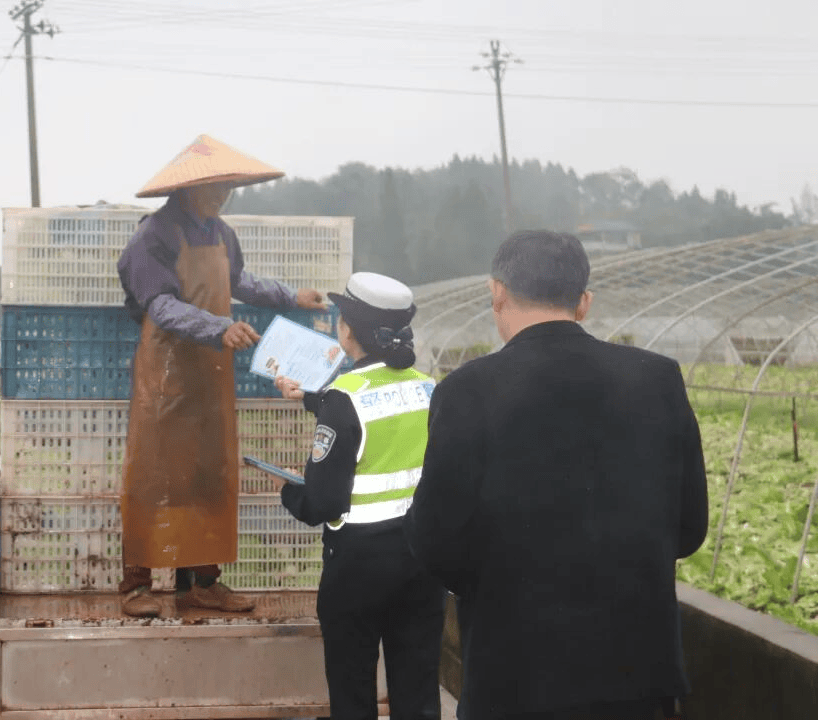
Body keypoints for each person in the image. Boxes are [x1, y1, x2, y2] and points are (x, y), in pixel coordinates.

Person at [404, 230, 709, 720]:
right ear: (584, 302)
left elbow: (435, 540)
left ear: (496, 292)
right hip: (638, 676)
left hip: (514, 676)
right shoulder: (657, 379)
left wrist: (495, 582)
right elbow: (690, 528)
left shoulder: (467, 391)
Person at [116, 134, 326, 618]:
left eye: (228, 186)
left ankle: (203, 583)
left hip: (211, 373)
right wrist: (218, 327)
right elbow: (160, 304)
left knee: (209, 472)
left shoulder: (222, 233)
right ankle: (135, 585)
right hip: (167, 372)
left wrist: (292, 296)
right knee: (153, 473)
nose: (222, 195)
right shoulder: (154, 235)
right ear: (188, 187)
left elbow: (239, 281)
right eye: (214, 187)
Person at [273, 271, 446, 720]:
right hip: (422, 565)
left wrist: (288, 490)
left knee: (353, 695)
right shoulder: (429, 388)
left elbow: (322, 504)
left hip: (357, 571)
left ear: (347, 330)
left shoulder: (343, 399)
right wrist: (311, 398)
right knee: (418, 693)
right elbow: (379, 405)